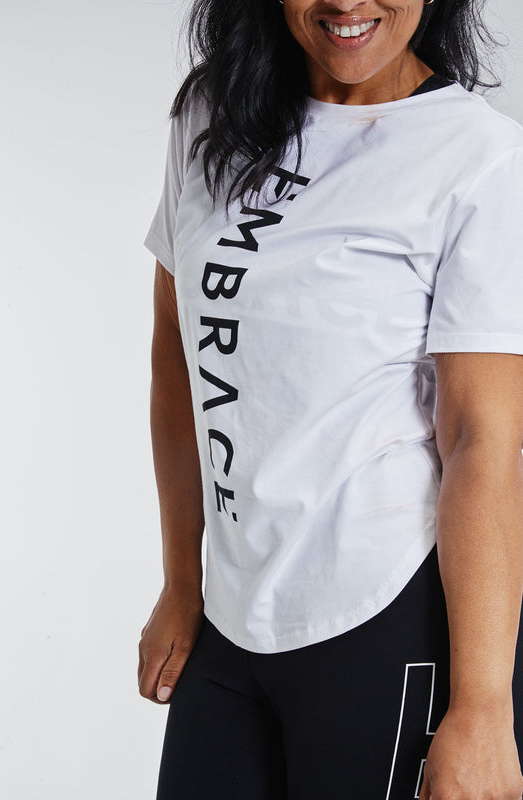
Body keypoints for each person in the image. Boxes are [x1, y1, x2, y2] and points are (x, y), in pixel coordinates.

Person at [137, 0, 523, 797]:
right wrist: (182, 582)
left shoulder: (475, 155)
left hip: (385, 612)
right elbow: (176, 355)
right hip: (233, 616)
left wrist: (484, 706)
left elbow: (481, 438)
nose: (345, 3)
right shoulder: (212, 113)